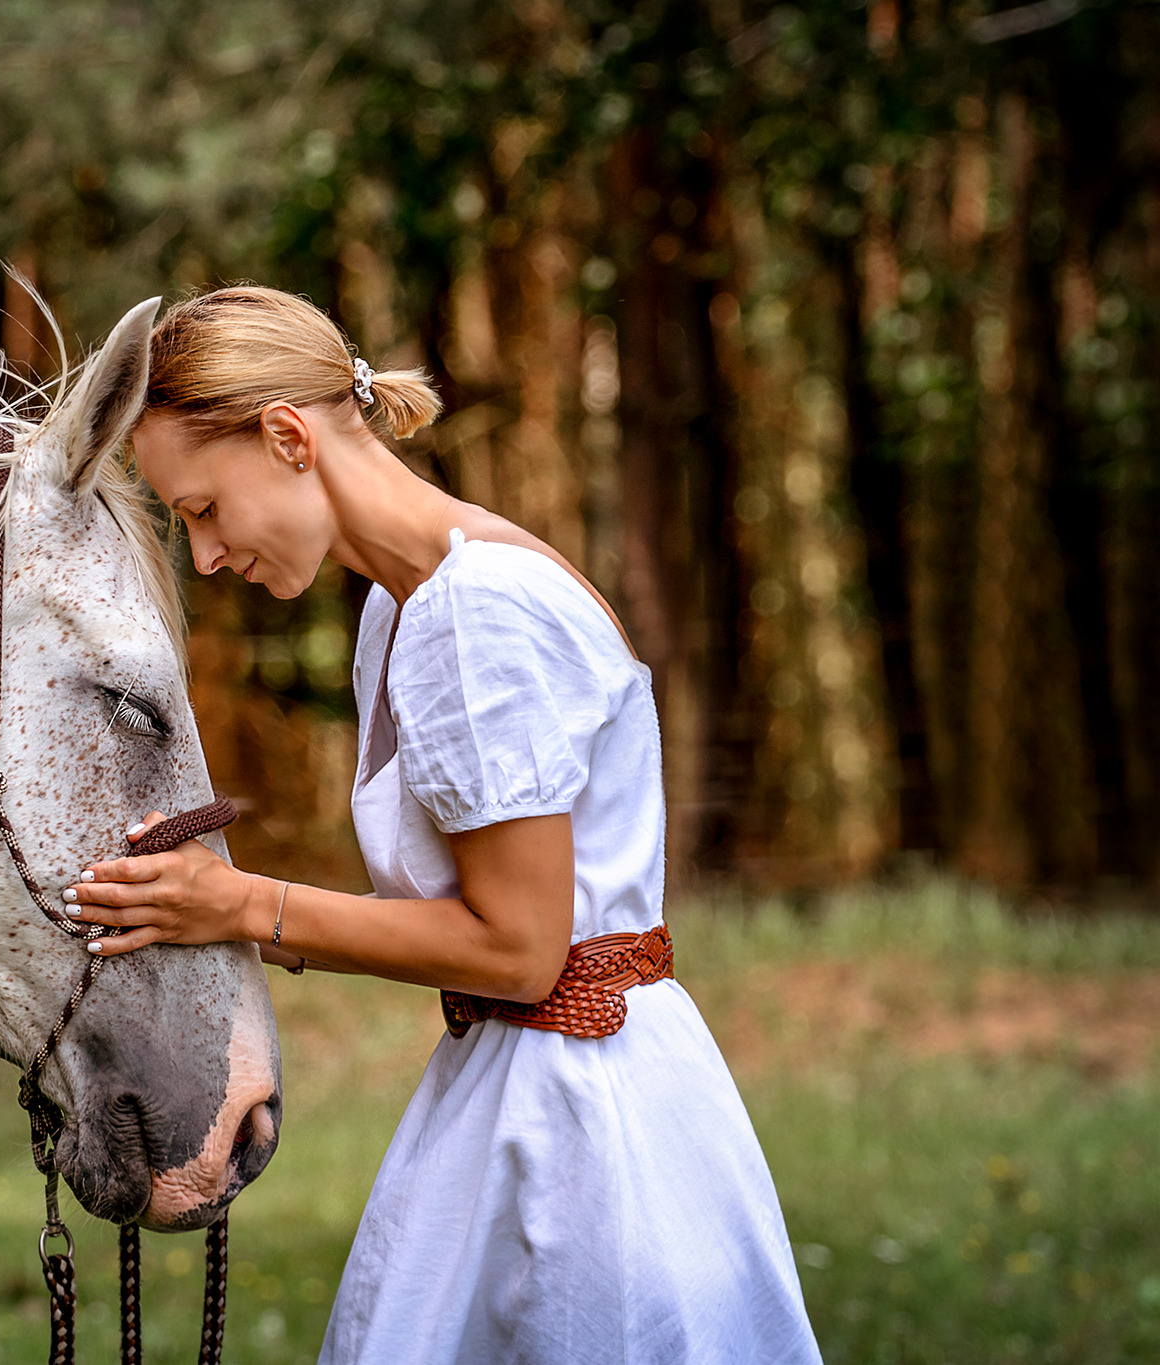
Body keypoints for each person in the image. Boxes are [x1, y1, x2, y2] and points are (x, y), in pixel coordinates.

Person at [58, 287, 823, 1364]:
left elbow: (520, 950)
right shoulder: (404, 606)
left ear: (286, 438)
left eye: (203, 509)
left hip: (577, 1124)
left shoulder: (474, 611)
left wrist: (239, 906)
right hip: (511, 1077)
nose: (207, 556)